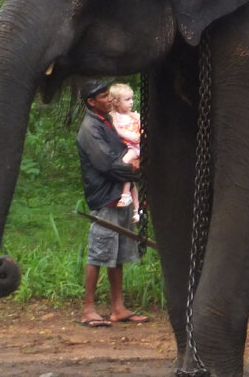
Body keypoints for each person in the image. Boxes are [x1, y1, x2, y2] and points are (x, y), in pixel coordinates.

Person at [75, 79, 150, 327]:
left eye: (109, 94)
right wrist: (136, 172)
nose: (109, 99)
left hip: (120, 196)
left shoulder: (108, 121)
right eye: (104, 96)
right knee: (99, 253)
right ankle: (88, 309)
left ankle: (117, 308)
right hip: (105, 198)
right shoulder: (90, 128)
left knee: (116, 255)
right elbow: (106, 164)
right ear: (91, 102)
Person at [108, 81, 141, 220]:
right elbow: (116, 130)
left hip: (133, 148)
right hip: (123, 146)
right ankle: (136, 210)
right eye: (127, 99)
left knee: (125, 164)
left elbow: (141, 129)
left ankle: (125, 194)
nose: (131, 102)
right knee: (131, 181)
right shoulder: (114, 115)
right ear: (116, 102)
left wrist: (138, 133)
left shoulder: (134, 115)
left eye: (132, 99)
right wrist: (130, 136)